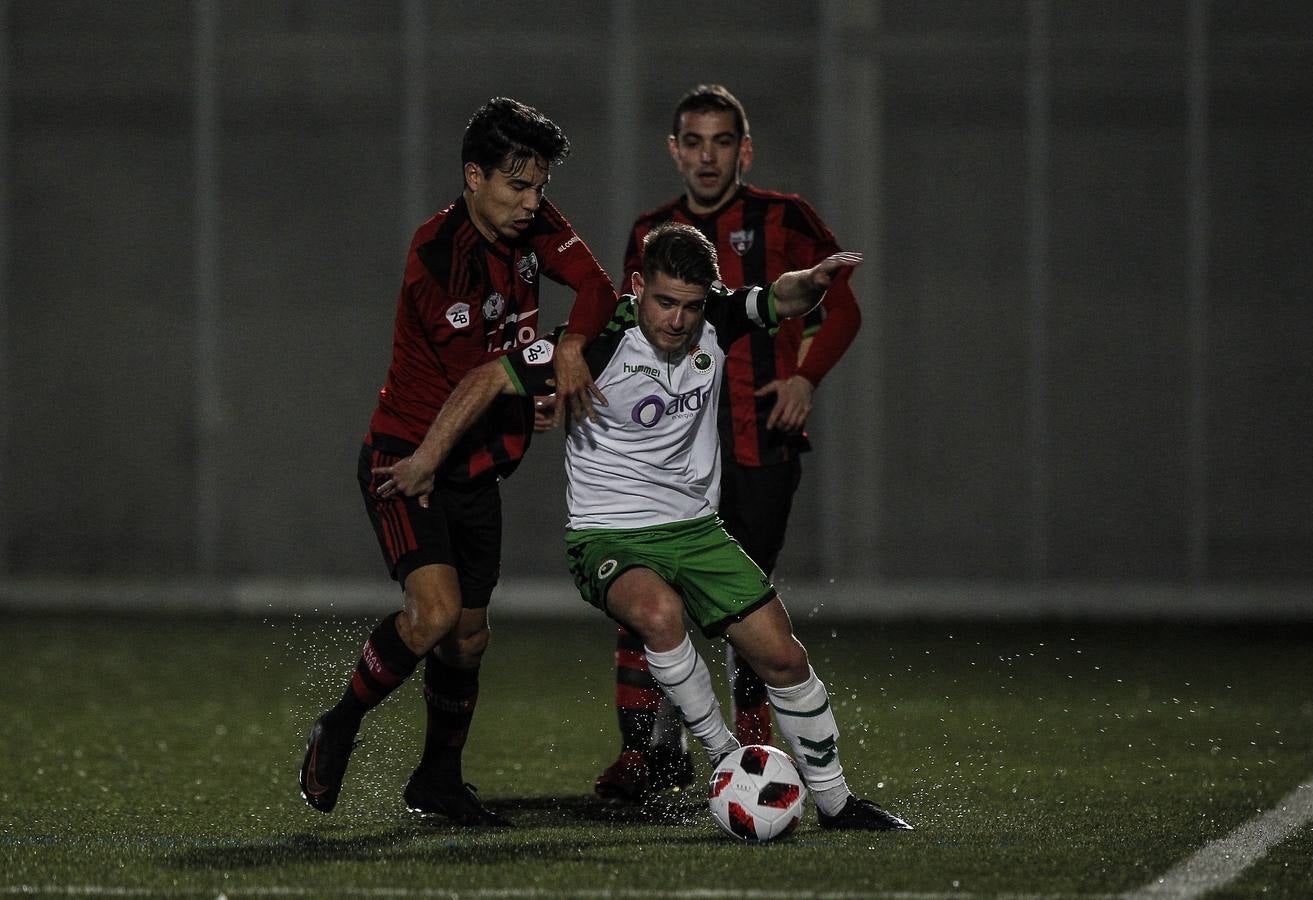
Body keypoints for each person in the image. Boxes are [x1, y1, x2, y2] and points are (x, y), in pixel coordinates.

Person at [374, 223, 911, 832]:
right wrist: (426, 459)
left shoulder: (718, 318)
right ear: (637, 288)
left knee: (785, 660)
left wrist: (813, 285)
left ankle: (839, 805)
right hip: (608, 535)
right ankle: (724, 757)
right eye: (663, 302)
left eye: (690, 305)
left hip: (697, 533)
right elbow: (487, 378)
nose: (677, 320)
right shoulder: (595, 343)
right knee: (658, 615)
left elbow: (782, 298)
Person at [297, 97, 616, 826]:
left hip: (472, 467)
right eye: (516, 186)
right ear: (473, 176)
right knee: (435, 616)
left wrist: (566, 351)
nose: (532, 203)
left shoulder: (534, 221)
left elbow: (598, 288)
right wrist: (421, 466)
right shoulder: (440, 261)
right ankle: (339, 724)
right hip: (408, 459)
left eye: (538, 186)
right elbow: (479, 381)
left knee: (469, 638)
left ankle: (436, 781)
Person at [596, 84, 863, 803]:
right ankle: (645, 753)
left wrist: (804, 377)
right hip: (668, 452)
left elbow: (839, 307)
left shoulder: (782, 217)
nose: (706, 155)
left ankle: (752, 743)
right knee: (644, 598)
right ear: (674, 150)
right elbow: (625, 330)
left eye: (721, 141)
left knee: (745, 601)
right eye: (693, 140)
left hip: (760, 443)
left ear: (742, 150)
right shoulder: (654, 230)